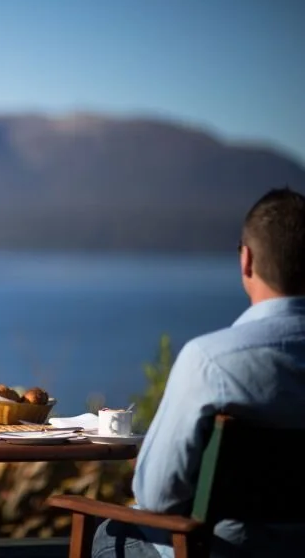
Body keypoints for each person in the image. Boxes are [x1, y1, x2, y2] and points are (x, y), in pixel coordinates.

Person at [92, 187, 305, 558]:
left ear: (247, 260)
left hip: (222, 550)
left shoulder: (210, 361)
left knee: (107, 534)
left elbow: (156, 497)